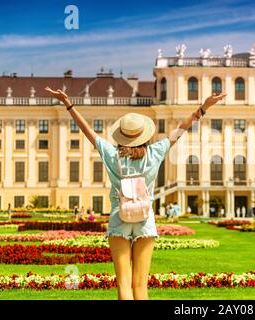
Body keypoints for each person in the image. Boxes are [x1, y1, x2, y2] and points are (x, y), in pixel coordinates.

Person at [45, 86, 225, 300]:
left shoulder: (112, 154)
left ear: (122, 136)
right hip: (145, 218)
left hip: (119, 217)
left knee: (123, 285)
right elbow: (180, 129)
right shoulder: (155, 152)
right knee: (140, 286)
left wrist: (69, 105)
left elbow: (87, 132)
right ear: (144, 134)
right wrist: (203, 108)